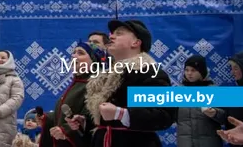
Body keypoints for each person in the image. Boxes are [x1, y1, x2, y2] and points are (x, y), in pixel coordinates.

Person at [68, 19, 175, 147]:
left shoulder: (148, 72)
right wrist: (86, 123)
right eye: (112, 33)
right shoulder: (104, 77)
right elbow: (109, 120)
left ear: (136, 42)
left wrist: (120, 113)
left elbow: (163, 116)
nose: (111, 36)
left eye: (119, 33)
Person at [39, 41, 105, 147]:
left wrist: (66, 131)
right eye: (74, 52)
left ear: (94, 60)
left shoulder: (96, 85)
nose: (74, 55)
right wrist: (47, 118)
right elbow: (68, 114)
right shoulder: (78, 83)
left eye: (80, 53)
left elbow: (92, 118)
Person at [176, 55, 221, 147]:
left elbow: (226, 117)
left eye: (193, 70)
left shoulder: (214, 90)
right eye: (187, 70)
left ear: (202, 72)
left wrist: (215, 113)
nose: (189, 73)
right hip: (186, 143)